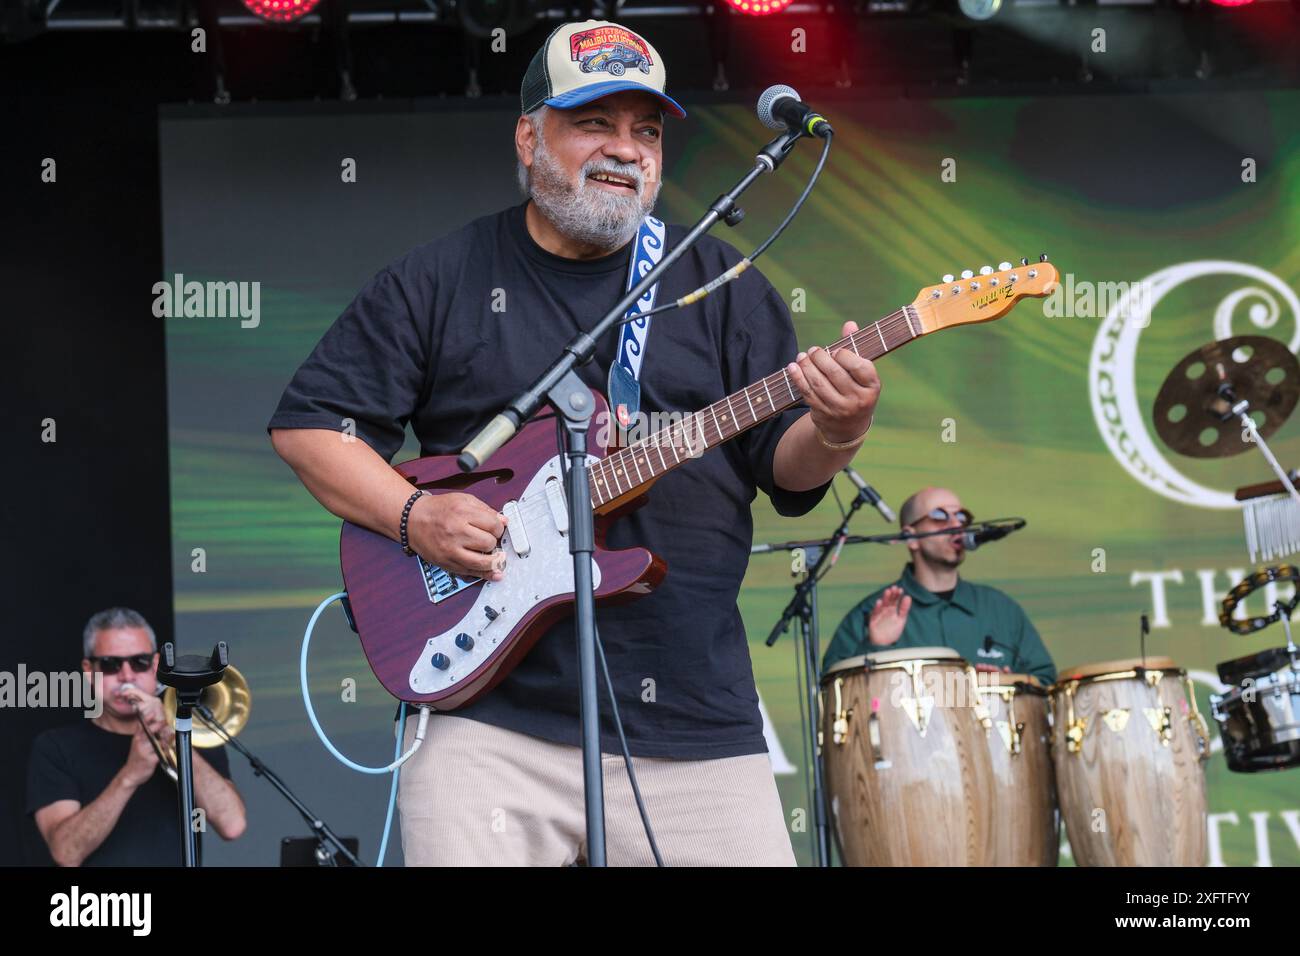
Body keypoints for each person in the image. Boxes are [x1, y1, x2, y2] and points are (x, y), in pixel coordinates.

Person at [268, 19, 882, 865]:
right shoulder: (443, 278)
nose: (625, 149)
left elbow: (785, 464)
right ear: (529, 136)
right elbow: (311, 429)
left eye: (646, 130)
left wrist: (838, 428)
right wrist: (416, 518)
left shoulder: (727, 287)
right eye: (595, 122)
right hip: (487, 718)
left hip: (694, 721)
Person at [27, 607, 246, 866]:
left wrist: (173, 736)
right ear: (89, 670)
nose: (127, 675)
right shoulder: (56, 747)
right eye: (110, 664)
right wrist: (130, 775)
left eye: (139, 662)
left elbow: (232, 825)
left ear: (155, 665)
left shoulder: (192, 733)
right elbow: (66, 853)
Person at [823, 487, 1055, 682]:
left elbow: (1045, 682)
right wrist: (874, 646)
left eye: (962, 516)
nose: (956, 524)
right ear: (911, 537)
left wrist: (1013, 683)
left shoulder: (1001, 609)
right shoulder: (871, 613)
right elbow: (834, 696)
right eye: (940, 516)